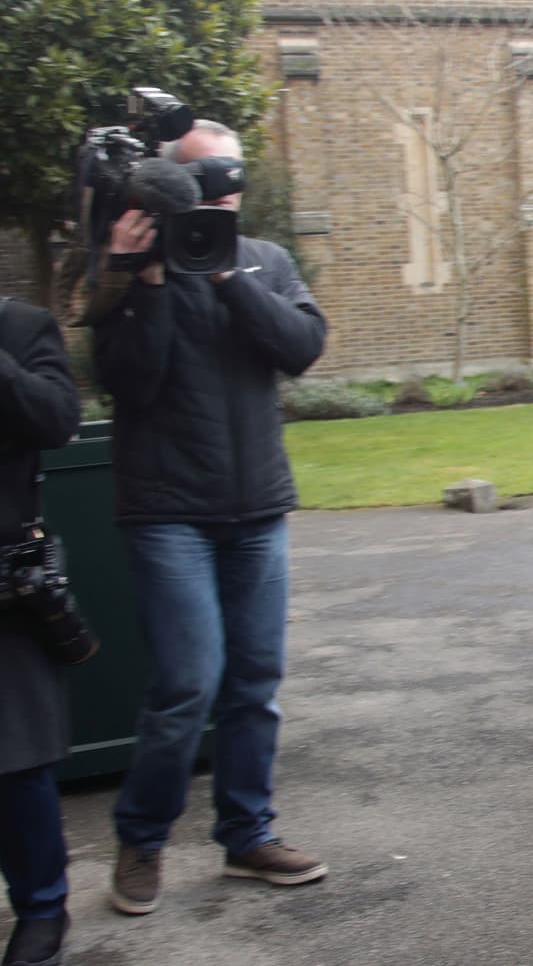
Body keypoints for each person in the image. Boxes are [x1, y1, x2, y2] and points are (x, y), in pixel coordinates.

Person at [91, 120, 330, 917]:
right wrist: (146, 279)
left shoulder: (265, 260)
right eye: (206, 176)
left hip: (257, 504)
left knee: (255, 683)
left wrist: (226, 274)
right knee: (187, 685)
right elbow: (128, 382)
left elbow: (302, 346)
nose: (225, 190)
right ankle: (142, 837)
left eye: (234, 173)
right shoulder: (135, 269)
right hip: (169, 511)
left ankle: (246, 833)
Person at [0, 297, 82, 966]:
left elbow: (57, 418)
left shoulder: (19, 327)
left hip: (5, 580)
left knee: (16, 758)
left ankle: (42, 906)